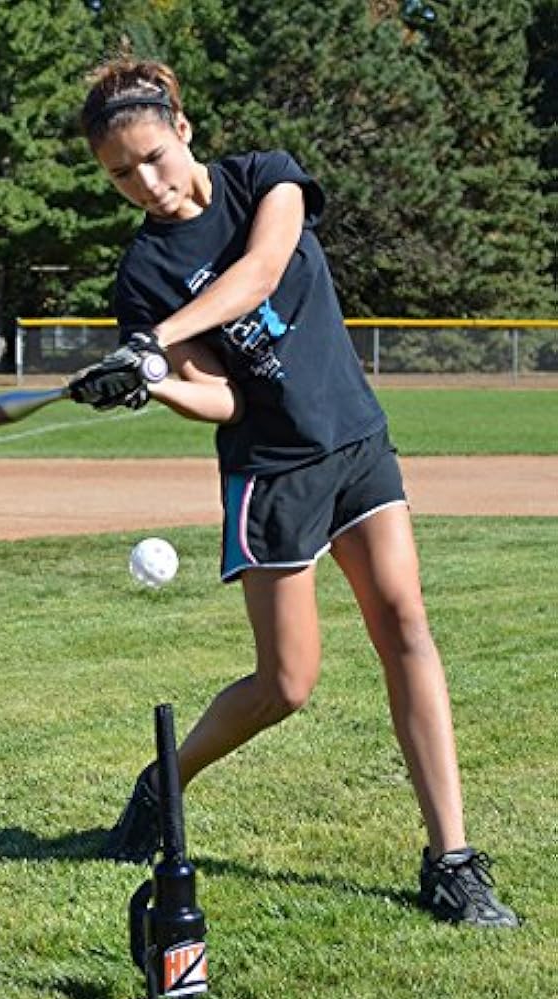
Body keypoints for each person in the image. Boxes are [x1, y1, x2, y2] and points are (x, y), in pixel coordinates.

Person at [70, 57, 519, 929]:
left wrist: (150, 344)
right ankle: (166, 782)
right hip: (271, 472)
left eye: (153, 157)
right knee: (287, 685)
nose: (147, 185)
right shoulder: (142, 276)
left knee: (406, 629)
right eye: (121, 175)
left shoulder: (262, 179)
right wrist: (153, 381)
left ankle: (451, 860)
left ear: (183, 128)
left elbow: (263, 272)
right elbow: (226, 399)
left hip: (354, 439)